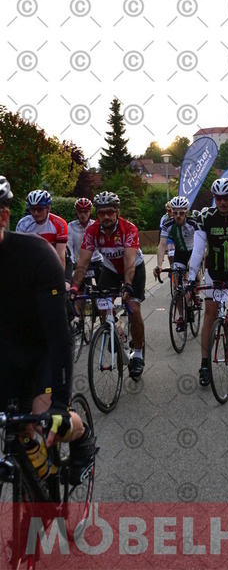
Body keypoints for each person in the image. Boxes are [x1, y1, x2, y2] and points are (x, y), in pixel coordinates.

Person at [0, 176, 96, 486]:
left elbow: (58, 336)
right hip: (6, 352)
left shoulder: (36, 255)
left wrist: (59, 403)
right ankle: (37, 478)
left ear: (4, 217)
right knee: (19, 432)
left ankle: (82, 437)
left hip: (43, 349)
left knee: (50, 423)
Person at [70, 191, 146, 382]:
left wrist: (127, 286)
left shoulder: (129, 229)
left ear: (117, 211)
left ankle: (138, 353)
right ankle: (116, 330)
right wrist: (74, 288)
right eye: (101, 213)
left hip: (133, 269)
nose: (106, 216)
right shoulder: (92, 231)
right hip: (111, 269)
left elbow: (129, 263)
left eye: (110, 212)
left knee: (133, 308)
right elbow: (82, 264)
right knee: (103, 307)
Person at [186, 178, 228, 386]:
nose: (222, 202)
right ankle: (204, 365)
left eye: (227, 198)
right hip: (214, 272)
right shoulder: (205, 217)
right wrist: (191, 279)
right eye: (218, 198)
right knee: (209, 314)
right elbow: (198, 250)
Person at [154, 195, 199, 330]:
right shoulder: (167, 224)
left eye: (181, 213)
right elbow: (161, 245)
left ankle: (196, 294)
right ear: (171, 212)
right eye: (175, 213)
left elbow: (199, 244)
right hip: (180, 253)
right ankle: (181, 316)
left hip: (194, 251)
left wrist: (192, 261)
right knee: (177, 286)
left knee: (194, 271)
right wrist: (159, 265)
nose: (178, 216)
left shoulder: (193, 224)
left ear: (187, 212)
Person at [16, 189, 68, 271]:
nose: (36, 213)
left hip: (57, 259)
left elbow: (60, 257)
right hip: (36, 261)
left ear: (48, 208)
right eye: (32, 209)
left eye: (40, 209)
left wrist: (59, 277)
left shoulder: (59, 223)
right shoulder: (23, 224)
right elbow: (21, 253)